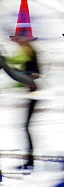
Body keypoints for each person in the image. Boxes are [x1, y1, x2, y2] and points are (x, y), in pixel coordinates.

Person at [6, 34, 40, 170]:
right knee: (26, 127)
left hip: (35, 93)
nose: (16, 43)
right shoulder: (28, 50)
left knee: (27, 127)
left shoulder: (28, 50)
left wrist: (5, 63)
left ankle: (30, 161)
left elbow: (15, 62)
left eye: (17, 39)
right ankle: (29, 160)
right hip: (33, 92)